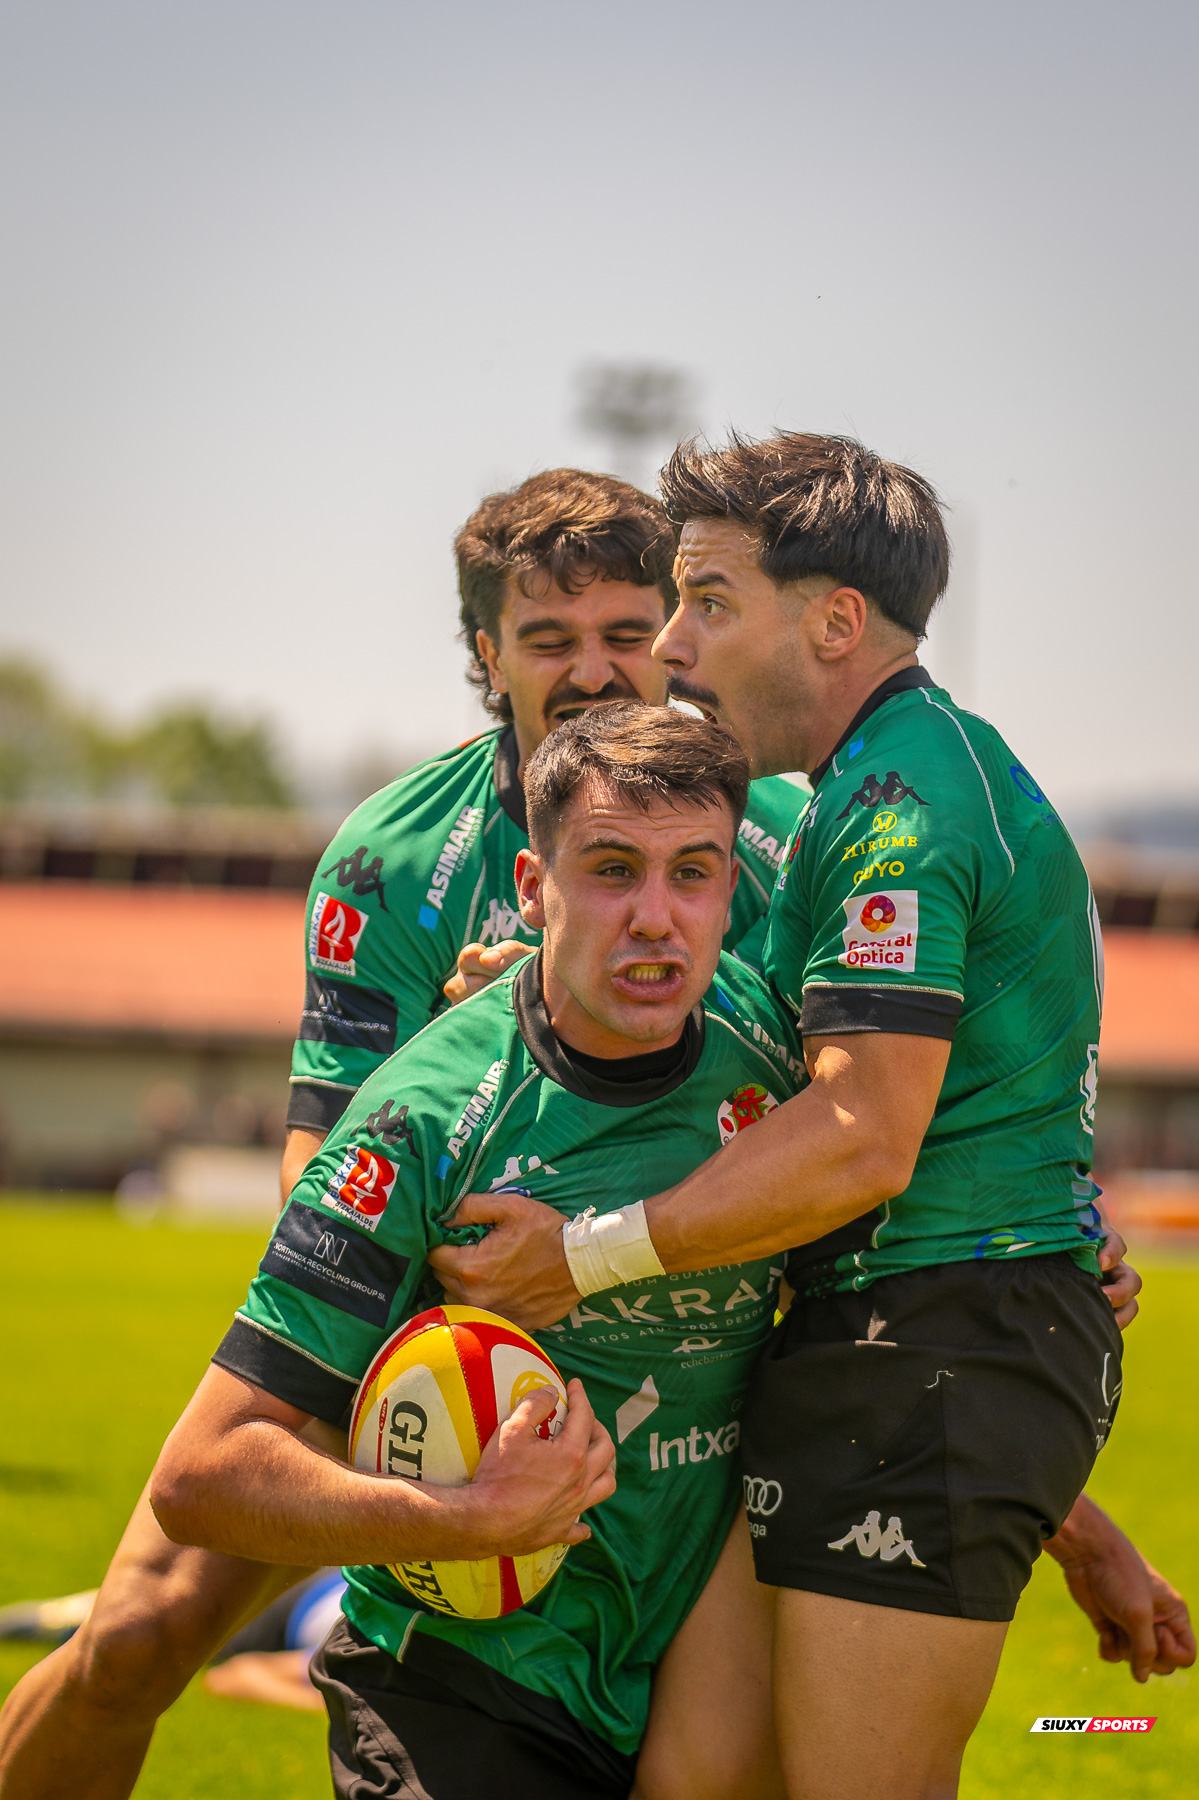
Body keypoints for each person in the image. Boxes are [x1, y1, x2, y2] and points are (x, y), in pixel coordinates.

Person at [0, 468, 807, 1800]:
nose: (594, 669)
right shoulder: (391, 854)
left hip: (693, 1347)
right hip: (433, 1339)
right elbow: (322, 1161)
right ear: (486, 653)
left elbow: (848, 1094)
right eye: (548, 639)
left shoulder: (764, 829)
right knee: (138, 1630)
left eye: (622, 632)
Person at [427, 434, 1195, 1798]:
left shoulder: (901, 801)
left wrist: (581, 1253)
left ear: (832, 621)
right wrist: (539, 979)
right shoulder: (857, 792)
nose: (671, 643)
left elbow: (857, 1136)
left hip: (936, 1352)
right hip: (875, 1347)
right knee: (692, 1781)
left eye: (706, 602)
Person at [150, 706, 808, 1800]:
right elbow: (201, 1477)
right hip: (460, 1680)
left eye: (693, 873)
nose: (657, 918)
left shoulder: (776, 1059)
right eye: (611, 870)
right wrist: (465, 1520)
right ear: (533, 886)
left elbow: (896, 1280)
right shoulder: (419, 1120)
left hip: (699, 1683)